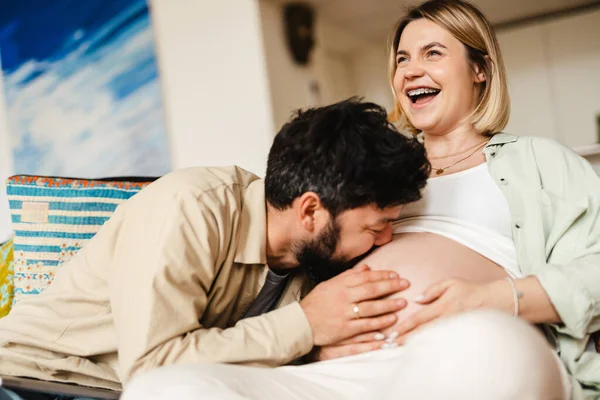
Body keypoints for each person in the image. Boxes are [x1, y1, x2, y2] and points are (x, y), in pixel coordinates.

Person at [121, 1, 600, 399]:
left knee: (481, 349)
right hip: (340, 369)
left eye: (432, 53)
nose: (412, 70)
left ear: (479, 69)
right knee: (164, 390)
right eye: (401, 59)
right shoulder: (364, 169)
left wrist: (489, 301)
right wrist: (314, 342)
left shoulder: (541, 163)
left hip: (471, 351)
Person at [0, 98, 430, 400]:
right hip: (34, 380)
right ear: (311, 211)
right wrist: (305, 326)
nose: (386, 240)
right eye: (378, 225)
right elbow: (154, 365)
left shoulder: (313, 258)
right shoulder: (190, 207)